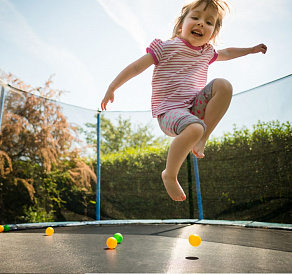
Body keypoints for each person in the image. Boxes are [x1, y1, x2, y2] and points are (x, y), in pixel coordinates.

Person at [101, 0, 267, 202]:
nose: (201, 24)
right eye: (195, 18)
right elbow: (136, 67)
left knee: (224, 85)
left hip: (193, 108)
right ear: (181, 26)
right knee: (195, 127)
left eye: (208, 22)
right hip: (169, 112)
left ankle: (202, 139)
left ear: (212, 34)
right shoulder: (165, 48)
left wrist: (250, 50)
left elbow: (229, 52)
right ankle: (169, 174)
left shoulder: (207, 52)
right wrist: (112, 87)